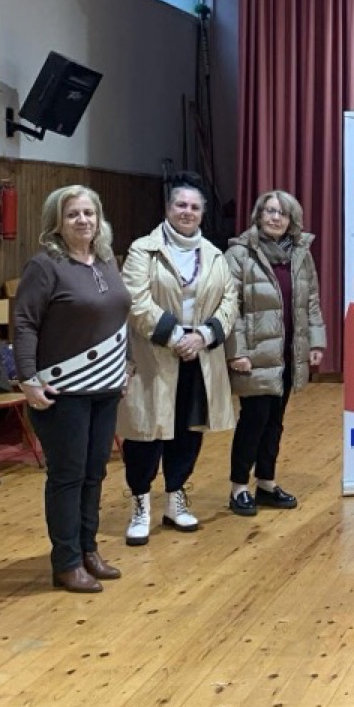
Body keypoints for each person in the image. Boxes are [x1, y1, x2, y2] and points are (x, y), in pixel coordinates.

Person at [13, 186, 131, 593]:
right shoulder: (45, 266)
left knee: (95, 471)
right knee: (68, 475)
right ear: (57, 223)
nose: (83, 220)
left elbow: (118, 317)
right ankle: (66, 562)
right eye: (72, 214)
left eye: (88, 213)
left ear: (99, 218)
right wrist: (27, 378)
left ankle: (87, 550)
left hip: (105, 386)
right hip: (62, 389)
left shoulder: (107, 261)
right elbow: (24, 323)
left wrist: (125, 365)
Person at [118, 173, 239, 544]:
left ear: (202, 213)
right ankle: (140, 505)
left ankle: (176, 499)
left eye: (194, 207)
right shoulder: (143, 250)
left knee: (188, 431)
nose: (187, 212)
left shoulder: (215, 255)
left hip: (198, 356)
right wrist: (175, 336)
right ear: (168, 209)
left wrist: (203, 336)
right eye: (181, 205)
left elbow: (230, 301)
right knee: (146, 432)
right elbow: (135, 300)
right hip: (155, 355)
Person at [224, 190, 327, 516]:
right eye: (269, 211)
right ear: (258, 215)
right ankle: (239, 487)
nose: (275, 217)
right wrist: (236, 351)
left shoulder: (301, 254)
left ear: (291, 220)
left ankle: (266, 483)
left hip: (287, 353)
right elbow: (230, 308)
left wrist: (315, 342)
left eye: (282, 213)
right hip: (254, 354)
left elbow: (311, 301)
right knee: (253, 421)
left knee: (275, 422)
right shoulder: (239, 254)